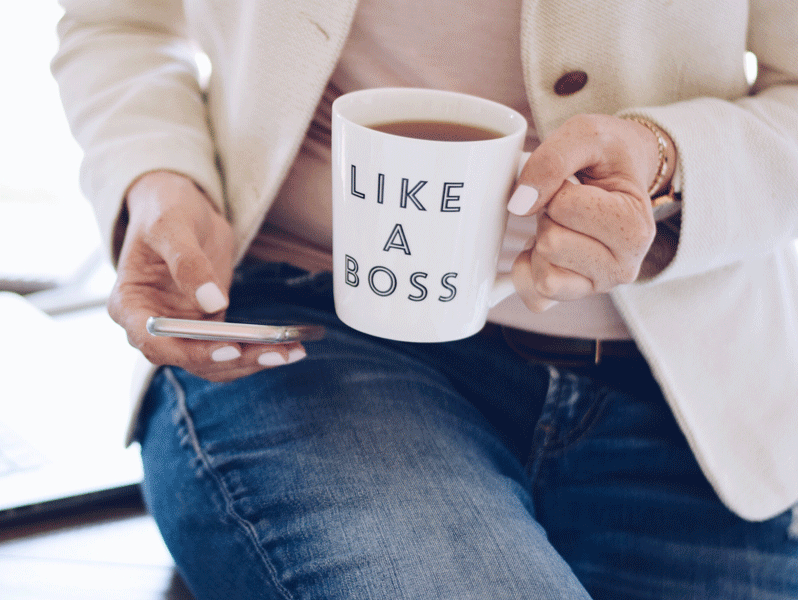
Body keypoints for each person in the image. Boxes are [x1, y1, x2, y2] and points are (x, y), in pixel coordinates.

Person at [52, 1, 798, 598]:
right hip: (315, 341)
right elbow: (121, 20)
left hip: (697, 403)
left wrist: (665, 165)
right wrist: (157, 178)